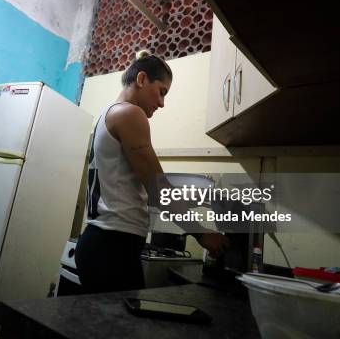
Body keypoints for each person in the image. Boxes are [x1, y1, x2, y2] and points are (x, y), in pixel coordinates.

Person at [75, 50, 229, 294]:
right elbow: (159, 190)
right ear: (142, 79)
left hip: (104, 243)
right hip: (112, 247)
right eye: (162, 91)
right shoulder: (129, 113)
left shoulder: (109, 114)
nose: (161, 103)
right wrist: (202, 235)